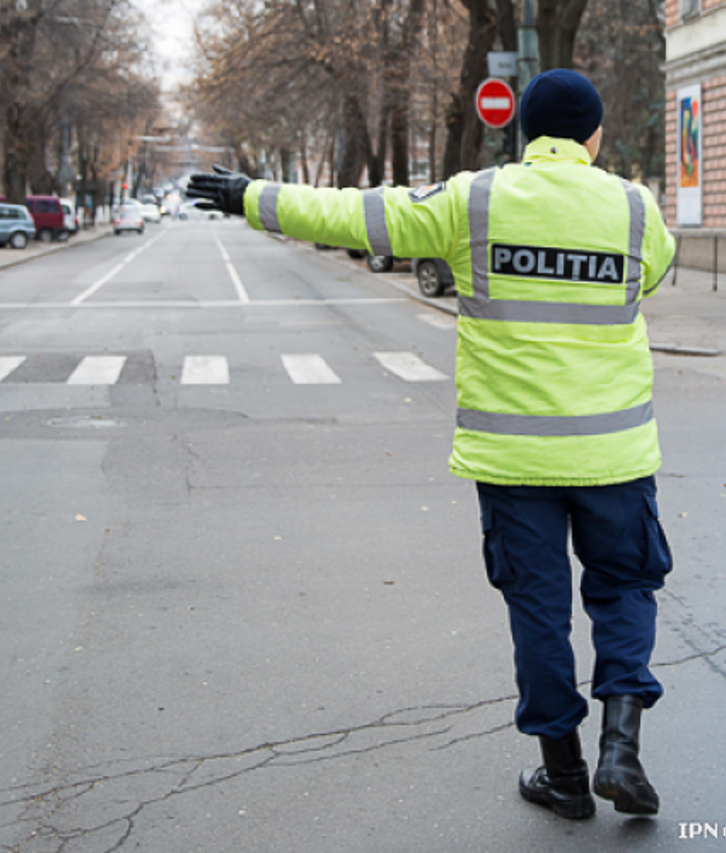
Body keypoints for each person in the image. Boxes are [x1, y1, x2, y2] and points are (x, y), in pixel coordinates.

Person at [188, 69, 676, 821]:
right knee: (625, 590)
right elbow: (650, 277)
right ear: (594, 137)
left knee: (538, 610)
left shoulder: (474, 202)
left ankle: (565, 774)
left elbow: (355, 214)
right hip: (614, 457)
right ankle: (621, 743)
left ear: (522, 134)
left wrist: (251, 195)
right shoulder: (637, 211)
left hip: (514, 462)